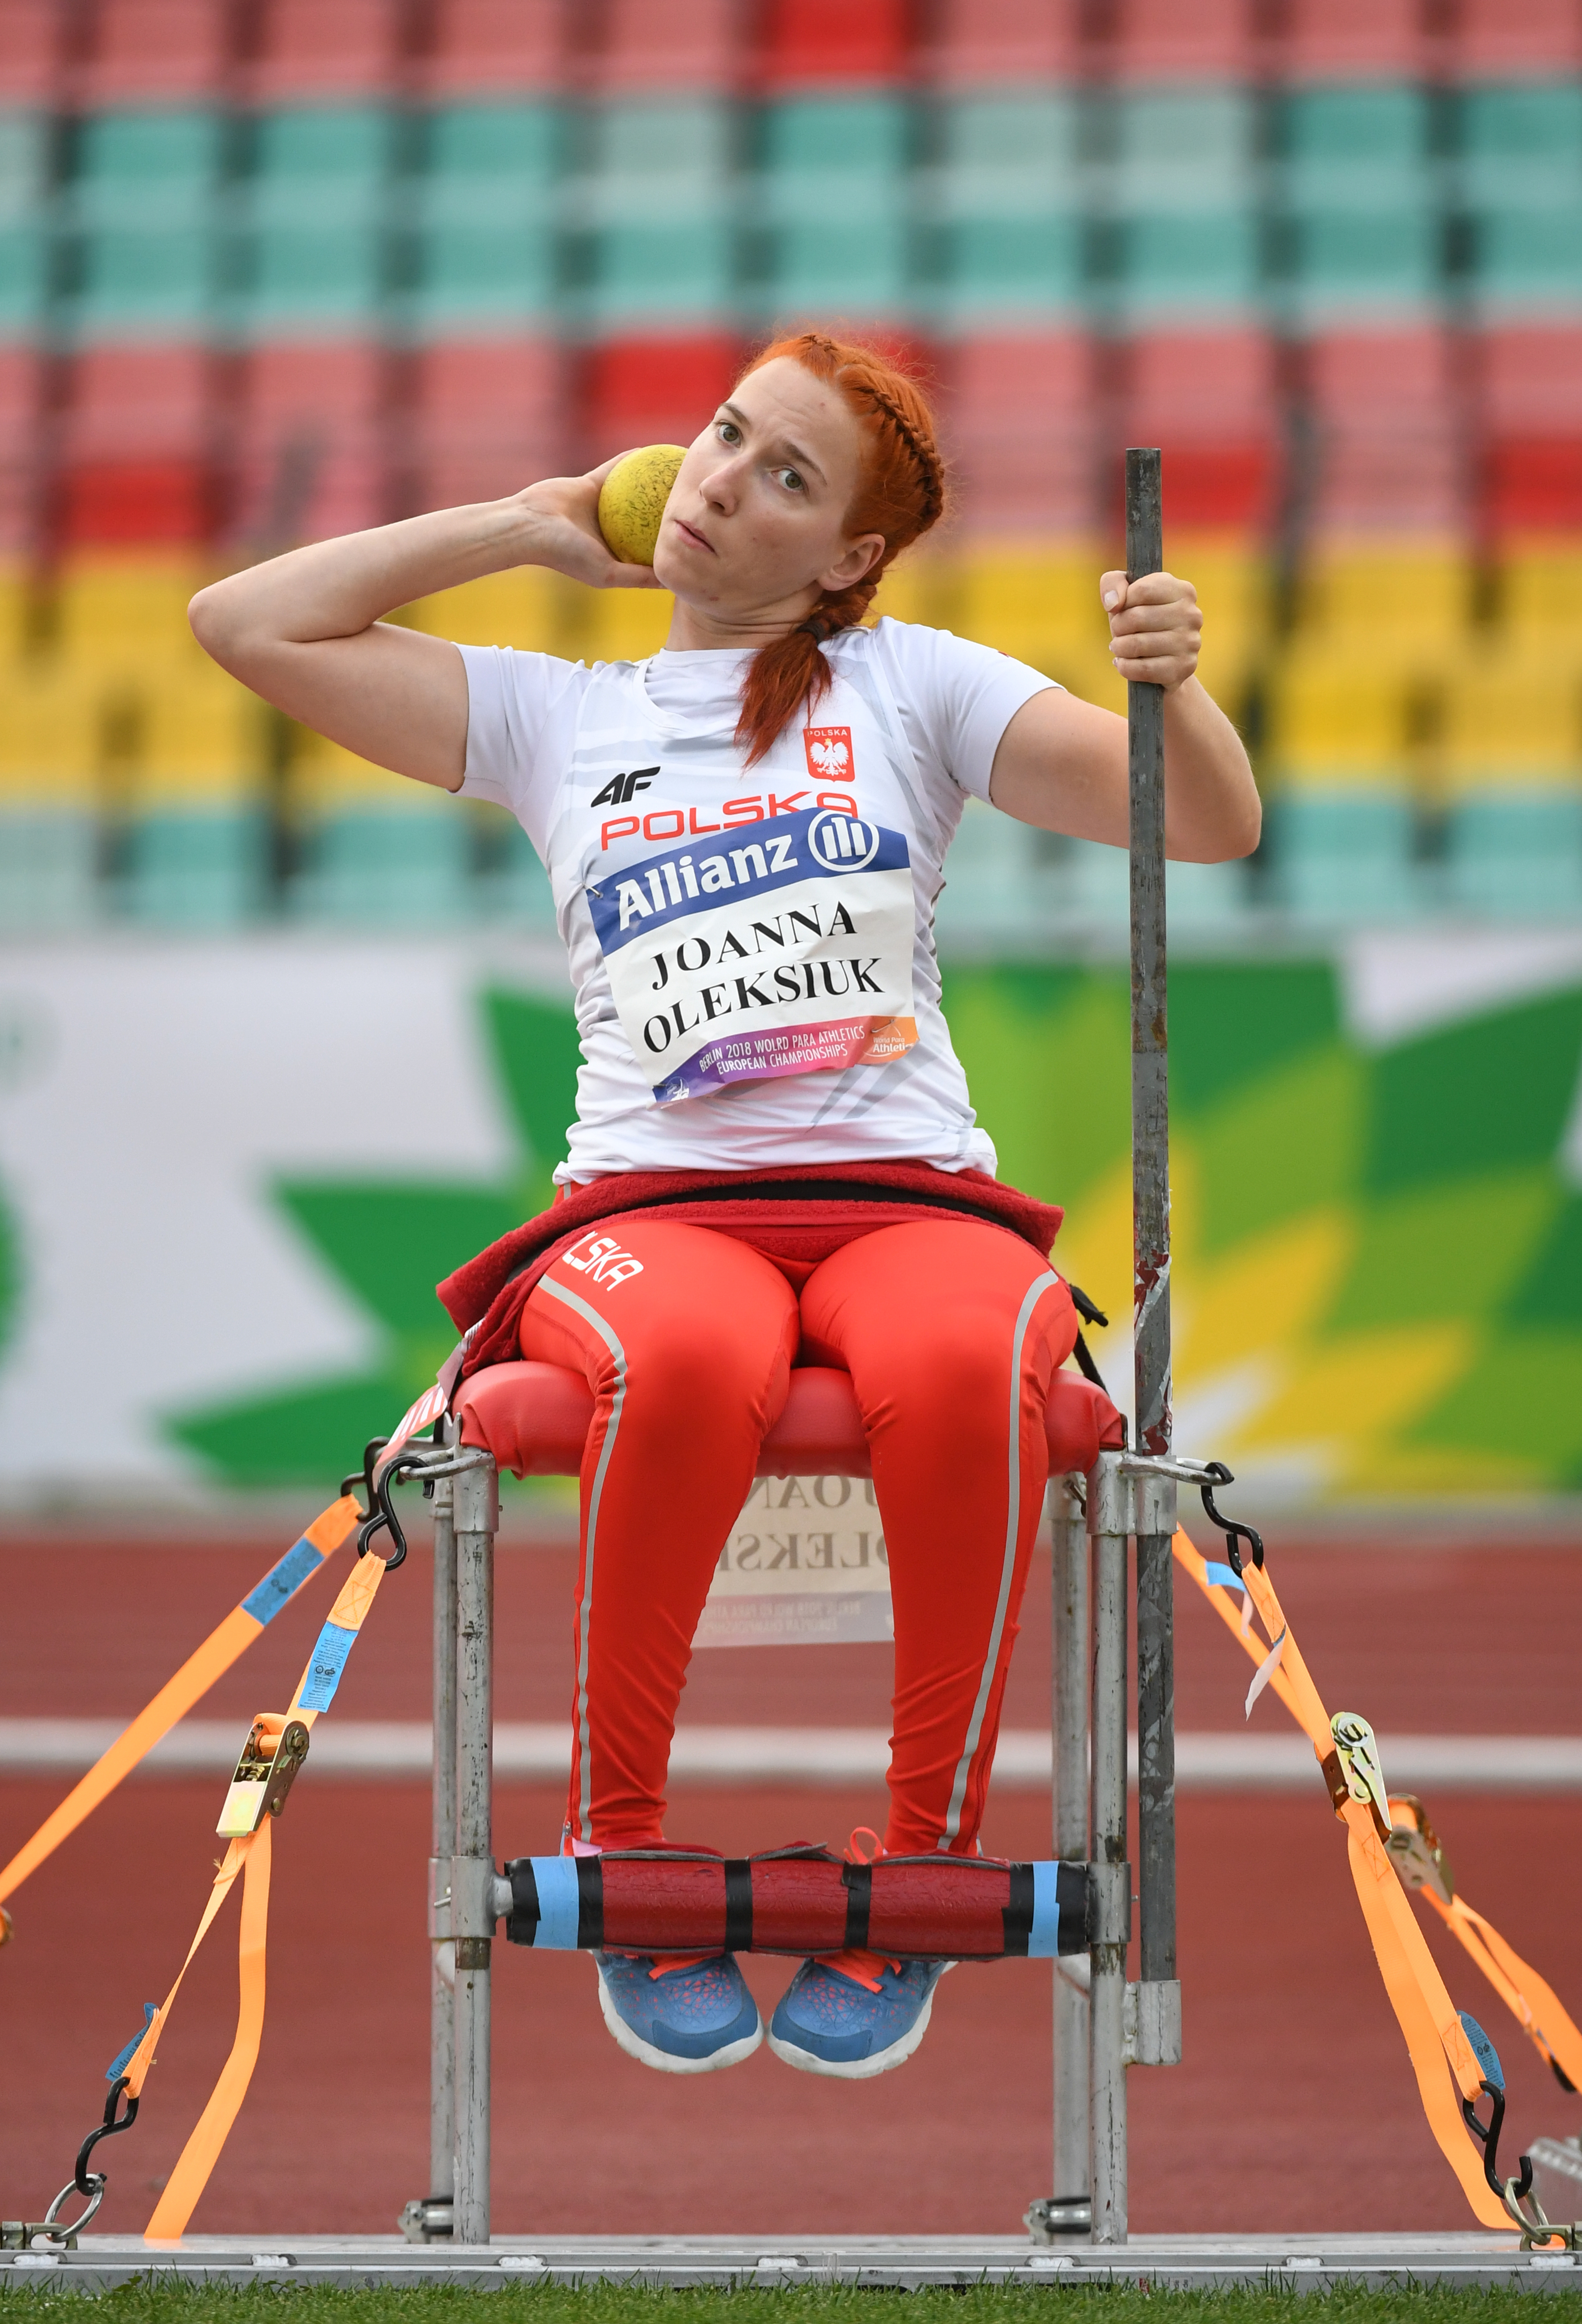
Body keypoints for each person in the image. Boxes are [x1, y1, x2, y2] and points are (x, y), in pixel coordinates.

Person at [190, 332, 1259, 2084]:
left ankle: (923, 1867)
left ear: (848, 556)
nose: (719, 480)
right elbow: (246, 624)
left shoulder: (919, 688)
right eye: (724, 436)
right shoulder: (561, 716)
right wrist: (532, 524)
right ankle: (627, 1852)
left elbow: (1204, 823)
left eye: (786, 476)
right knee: (683, 1359)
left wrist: (1175, 684)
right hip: (652, 1215)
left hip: (911, 1201)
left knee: (972, 1357)